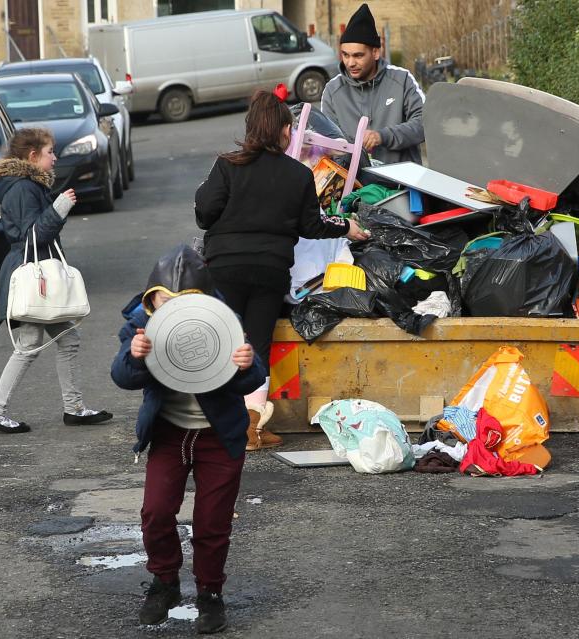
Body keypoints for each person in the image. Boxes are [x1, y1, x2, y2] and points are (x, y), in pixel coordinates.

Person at [194, 87, 369, 450]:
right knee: (257, 345)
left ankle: (223, 423)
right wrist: (346, 227)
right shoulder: (297, 175)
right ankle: (252, 427)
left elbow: (203, 215)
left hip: (225, 266)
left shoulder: (227, 166)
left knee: (224, 341)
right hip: (269, 271)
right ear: (285, 131)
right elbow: (312, 226)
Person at [110, 245, 264, 633]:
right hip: (168, 434)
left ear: (205, 299)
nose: (174, 309)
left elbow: (253, 375)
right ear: (151, 298)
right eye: (165, 301)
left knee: (212, 522)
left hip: (219, 436)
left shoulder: (223, 320)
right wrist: (135, 356)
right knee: (156, 512)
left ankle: (210, 593)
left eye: (186, 301)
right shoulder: (140, 325)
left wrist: (245, 363)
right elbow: (123, 378)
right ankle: (165, 583)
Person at [0, 127, 112, 434]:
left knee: (67, 339)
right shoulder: (22, 188)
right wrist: (59, 208)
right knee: (28, 345)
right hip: (30, 273)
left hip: (31, 271)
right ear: (32, 156)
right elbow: (32, 236)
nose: (55, 158)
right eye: (51, 152)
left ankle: (75, 408)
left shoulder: (24, 185)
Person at [320, 3, 426, 165]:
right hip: (357, 185)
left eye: (358, 55)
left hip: (403, 183)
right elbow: (328, 141)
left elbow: (425, 123)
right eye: (345, 55)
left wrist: (383, 136)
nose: (350, 63)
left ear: (376, 52)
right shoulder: (332, 91)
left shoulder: (402, 80)